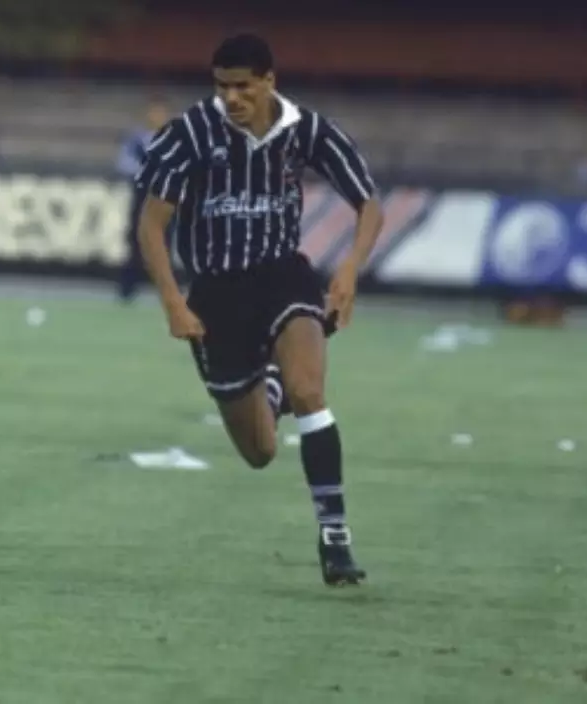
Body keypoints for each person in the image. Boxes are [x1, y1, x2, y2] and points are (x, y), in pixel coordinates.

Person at [135, 34, 384, 586]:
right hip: (216, 296)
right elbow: (151, 226)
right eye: (222, 86)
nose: (232, 97)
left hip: (283, 277)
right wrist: (174, 303)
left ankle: (335, 536)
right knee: (260, 450)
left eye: (243, 85)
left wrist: (347, 271)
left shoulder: (307, 129)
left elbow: (369, 204)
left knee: (310, 392)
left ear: (270, 80)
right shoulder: (188, 135)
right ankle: (267, 389)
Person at [116, 99, 169, 301]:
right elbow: (123, 163)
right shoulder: (136, 140)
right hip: (141, 198)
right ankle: (128, 287)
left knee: (165, 244)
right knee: (136, 241)